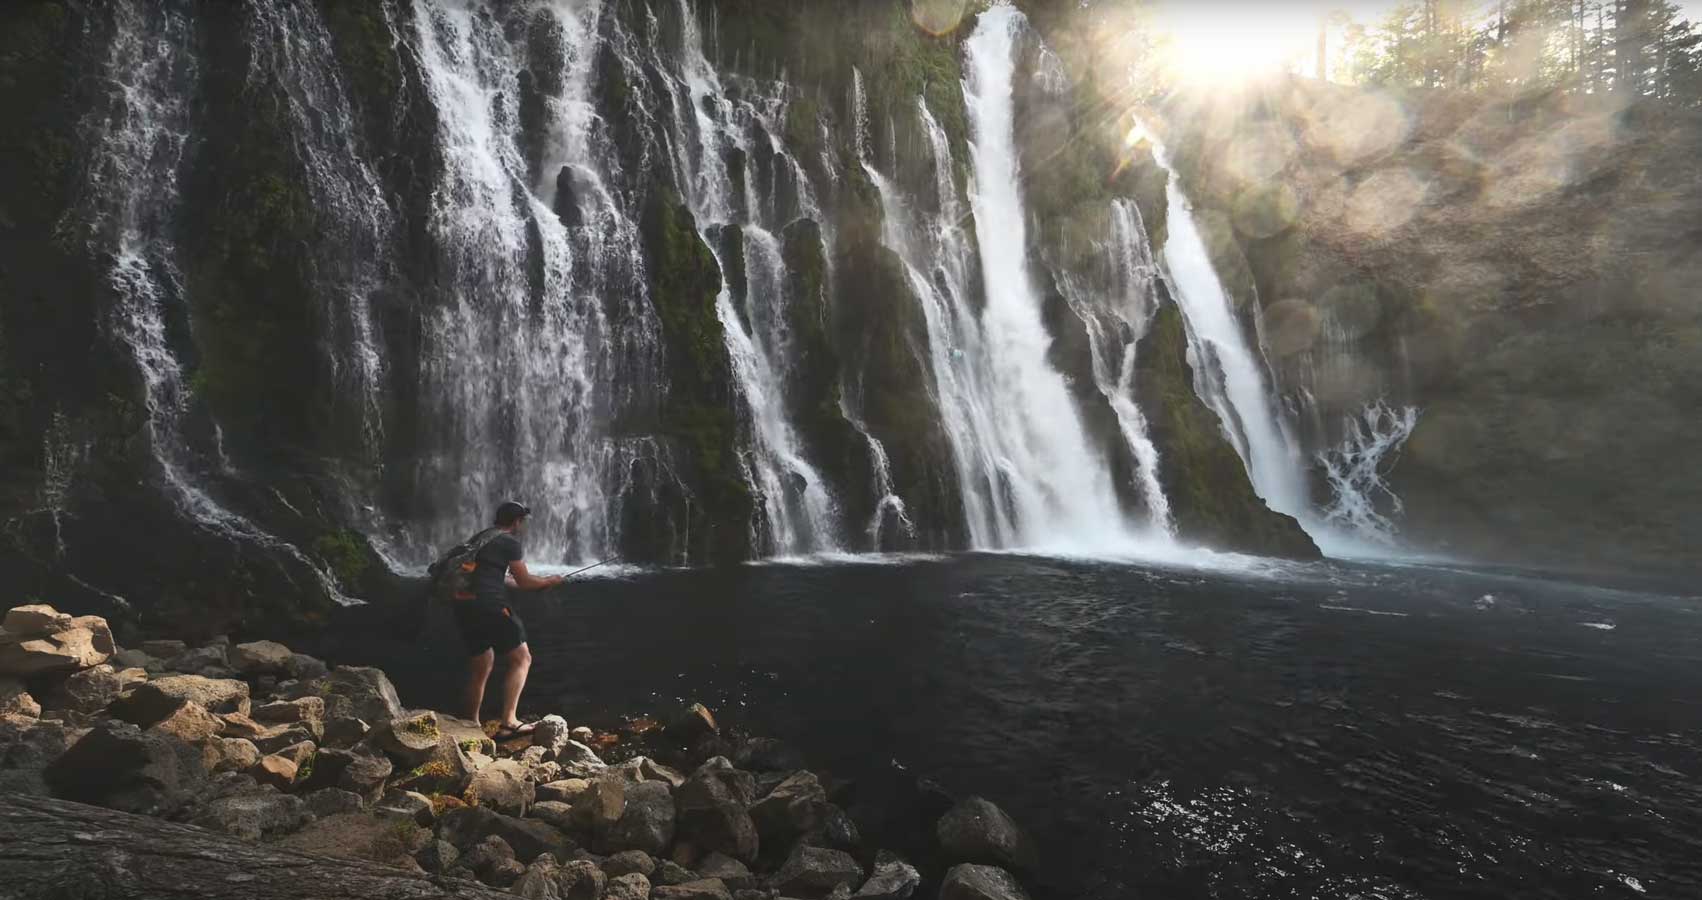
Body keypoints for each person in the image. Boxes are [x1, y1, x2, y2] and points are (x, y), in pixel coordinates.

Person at [454, 500, 563, 738]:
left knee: (481, 664)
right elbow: (525, 581)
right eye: (522, 521)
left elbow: (493, 576)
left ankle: (470, 724)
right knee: (522, 658)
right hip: (491, 606)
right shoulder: (509, 542)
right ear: (517, 522)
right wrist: (549, 581)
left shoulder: (482, 538)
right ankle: (509, 722)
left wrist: (530, 583)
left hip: (464, 604)